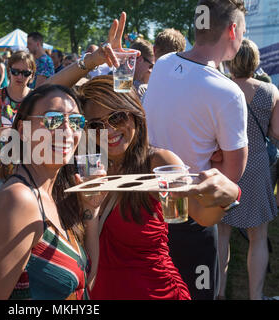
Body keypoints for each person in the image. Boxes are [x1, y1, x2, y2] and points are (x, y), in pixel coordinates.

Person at [45, 12, 242, 300]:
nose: (110, 130)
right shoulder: (84, 164)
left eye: (119, 116)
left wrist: (226, 194)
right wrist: (93, 61)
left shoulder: (158, 163)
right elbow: (40, 98)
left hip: (156, 293)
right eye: (97, 124)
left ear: (136, 118)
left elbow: (201, 216)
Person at [143, 0, 248, 299]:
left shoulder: (162, 65)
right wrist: (216, 155)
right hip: (191, 217)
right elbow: (230, 176)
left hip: (147, 208)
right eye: (243, 30)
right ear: (232, 30)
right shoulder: (227, 93)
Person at [0, 84, 100, 299]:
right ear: (23, 130)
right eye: (52, 120)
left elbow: (84, 283)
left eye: (75, 121)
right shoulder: (17, 202)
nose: (67, 131)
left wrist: (90, 211)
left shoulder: (54, 195)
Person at [217, 39, 279, 300]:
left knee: (221, 234)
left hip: (224, 167)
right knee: (258, 236)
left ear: (230, 60)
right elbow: (276, 133)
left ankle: (217, 292)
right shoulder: (270, 91)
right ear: (256, 62)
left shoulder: (219, 89)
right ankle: (256, 296)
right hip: (255, 166)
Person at [0, 50, 36, 192]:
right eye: (15, 71)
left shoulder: (36, 99)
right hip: (0, 165)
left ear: (32, 75)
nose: (19, 76)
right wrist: (7, 131)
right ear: (9, 70)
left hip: (29, 166)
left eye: (25, 73)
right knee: (4, 210)